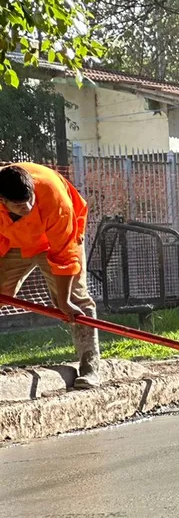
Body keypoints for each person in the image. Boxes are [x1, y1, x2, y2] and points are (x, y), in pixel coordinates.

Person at [0, 163, 102, 388]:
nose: (27, 207)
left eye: (30, 200)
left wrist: (63, 302)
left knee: (75, 300)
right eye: (18, 204)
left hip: (54, 238)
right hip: (13, 239)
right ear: (2, 201)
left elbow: (65, 256)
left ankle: (90, 366)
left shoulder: (54, 198)